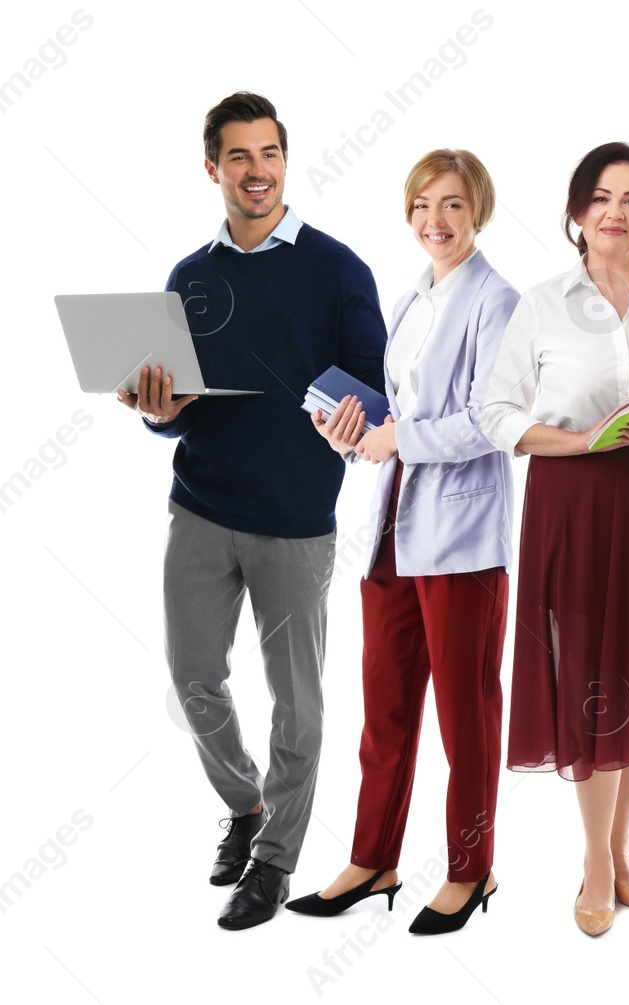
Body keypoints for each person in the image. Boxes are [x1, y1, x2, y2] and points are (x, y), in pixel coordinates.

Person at [117, 91, 386, 929]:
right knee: (194, 678)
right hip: (199, 508)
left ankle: (272, 865)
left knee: (297, 702)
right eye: (238, 156)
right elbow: (178, 413)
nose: (256, 170)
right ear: (213, 169)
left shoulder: (340, 268)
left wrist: (358, 417)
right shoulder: (189, 278)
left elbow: (377, 393)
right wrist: (157, 407)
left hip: (297, 519)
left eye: (267, 153)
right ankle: (246, 805)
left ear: (284, 160)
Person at [480, 142, 629, 938]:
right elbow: (498, 412)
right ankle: (592, 861)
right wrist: (581, 442)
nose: (618, 211)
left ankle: (620, 851)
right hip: (574, 502)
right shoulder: (543, 302)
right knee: (589, 673)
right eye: (603, 198)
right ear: (578, 213)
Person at [285, 149, 518, 934]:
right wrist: (350, 433)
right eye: (422, 205)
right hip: (391, 531)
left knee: (466, 715)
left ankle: (469, 869)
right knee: (383, 709)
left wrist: (399, 440)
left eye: (451, 204)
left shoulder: (499, 301)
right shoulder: (412, 297)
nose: (434, 221)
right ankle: (373, 856)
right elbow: (393, 417)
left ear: (477, 209)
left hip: (462, 543)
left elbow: (493, 420)